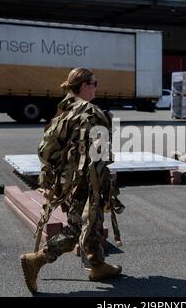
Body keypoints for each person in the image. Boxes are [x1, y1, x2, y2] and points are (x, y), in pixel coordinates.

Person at [20, 67, 124, 294]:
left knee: (93, 222)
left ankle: (97, 266)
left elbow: (48, 149)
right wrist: (103, 181)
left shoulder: (65, 110)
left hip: (67, 180)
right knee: (78, 227)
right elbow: (100, 154)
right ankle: (36, 259)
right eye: (94, 83)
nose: (97, 87)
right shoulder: (92, 112)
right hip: (87, 180)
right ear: (84, 85)